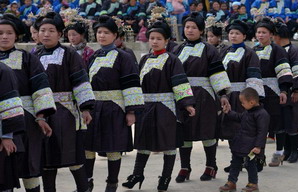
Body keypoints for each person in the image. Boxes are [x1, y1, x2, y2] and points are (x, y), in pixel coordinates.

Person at [122, 20, 196, 192]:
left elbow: (180, 83)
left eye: (159, 38)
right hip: (146, 106)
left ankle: (165, 177)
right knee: (143, 141)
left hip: (166, 108)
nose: (154, 41)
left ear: (167, 40)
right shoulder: (145, 59)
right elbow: (136, 84)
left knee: (168, 142)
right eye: (152, 38)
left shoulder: (172, 60)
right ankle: (137, 174)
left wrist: (187, 104)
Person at [34, 12, 95, 192]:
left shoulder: (69, 54)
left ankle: (83, 188)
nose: (46, 34)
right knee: (47, 158)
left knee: (72, 155)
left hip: (66, 112)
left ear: (60, 34)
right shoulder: (33, 55)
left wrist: (85, 108)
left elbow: (80, 81)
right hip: (41, 113)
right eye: (42, 30)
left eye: (51, 30)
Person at [84, 15, 144, 192]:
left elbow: (132, 84)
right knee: (88, 147)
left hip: (115, 108)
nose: (102, 36)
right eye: (99, 32)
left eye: (106, 32)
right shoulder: (93, 56)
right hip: (95, 108)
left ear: (115, 35)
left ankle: (112, 183)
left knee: (113, 147)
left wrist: (131, 111)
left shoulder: (123, 57)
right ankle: (87, 181)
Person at [0, 13, 56, 192]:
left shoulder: (27, 58)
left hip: (26, 121)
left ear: (16, 35)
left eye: (9, 33)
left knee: (29, 166)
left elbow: (41, 88)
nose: (4, 37)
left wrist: (40, 117)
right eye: (0, 33)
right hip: (1, 122)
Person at [172, 12, 231, 183]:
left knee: (207, 131)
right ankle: (185, 167)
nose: (190, 30)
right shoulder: (177, 49)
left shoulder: (209, 50)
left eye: (194, 28)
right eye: (187, 27)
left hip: (204, 96)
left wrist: (222, 95)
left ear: (201, 30)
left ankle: (211, 165)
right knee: (184, 132)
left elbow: (217, 73)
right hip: (183, 95)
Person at [220, 19, 265, 172]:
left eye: (237, 33)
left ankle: (253, 159)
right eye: (231, 33)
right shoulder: (224, 52)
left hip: (243, 97)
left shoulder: (249, 53)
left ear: (244, 36)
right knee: (231, 130)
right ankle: (236, 160)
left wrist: (251, 100)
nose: (233, 36)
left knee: (246, 129)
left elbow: (253, 77)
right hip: (228, 96)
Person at [253, 18, 295, 168]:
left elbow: (284, 70)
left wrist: (284, 90)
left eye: (264, 32)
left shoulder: (278, 50)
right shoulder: (253, 50)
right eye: (258, 32)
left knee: (278, 124)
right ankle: (258, 157)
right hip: (256, 91)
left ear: (271, 34)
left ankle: (278, 153)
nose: (260, 35)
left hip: (274, 90)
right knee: (258, 125)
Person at [219, 87, 270, 192]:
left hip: (252, 147)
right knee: (235, 163)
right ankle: (231, 182)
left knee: (250, 165)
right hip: (241, 143)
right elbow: (238, 117)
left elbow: (262, 132)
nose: (241, 105)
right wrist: (229, 112)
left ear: (252, 102)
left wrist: (258, 146)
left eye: (243, 102)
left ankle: (253, 184)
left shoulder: (262, 114)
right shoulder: (247, 111)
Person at [272, 19, 298, 164]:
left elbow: (297, 72)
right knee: (283, 121)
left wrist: (297, 90)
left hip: (292, 92)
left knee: (292, 120)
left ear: (278, 36)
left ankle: (295, 150)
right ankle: (287, 149)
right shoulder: (276, 50)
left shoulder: (293, 50)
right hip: (280, 91)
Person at [0, 62, 25, 191]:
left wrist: (6, 136)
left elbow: (9, 103)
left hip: (1, 133)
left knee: (3, 178)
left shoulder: (4, 71)